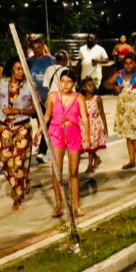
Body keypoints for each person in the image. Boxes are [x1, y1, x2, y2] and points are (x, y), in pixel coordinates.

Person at [39, 70, 90, 218]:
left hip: (73, 132)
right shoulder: (52, 97)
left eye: (69, 82)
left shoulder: (78, 98)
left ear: (74, 84)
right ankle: (58, 205)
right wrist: (39, 132)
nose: (65, 85)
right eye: (62, 81)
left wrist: (87, 136)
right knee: (57, 170)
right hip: (57, 132)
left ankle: (76, 205)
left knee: (74, 171)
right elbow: (47, 116)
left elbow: (85, 118)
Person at [0, 60, 36, 211]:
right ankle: (23, 181)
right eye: (18, 69)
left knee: (18, 163)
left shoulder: (30, 86)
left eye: (23, 69)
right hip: (3, 127)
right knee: (6, 163)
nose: (21, 72)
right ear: (11, 69)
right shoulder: (0, 84)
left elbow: (35, 110)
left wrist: (17, 111)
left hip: (22, 127)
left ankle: (17, 198)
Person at [81, 76, 108, 173]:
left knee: (91, 145)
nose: (92, 87)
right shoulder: (81, 99)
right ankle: (96, 158)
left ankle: (90, 166)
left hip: (94, 125)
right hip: (84, 125)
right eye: (89, 85)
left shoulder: (97, 99)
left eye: (93, 85)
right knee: (85, 146)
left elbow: (102, 113)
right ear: (84, 87)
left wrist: (105, 127)